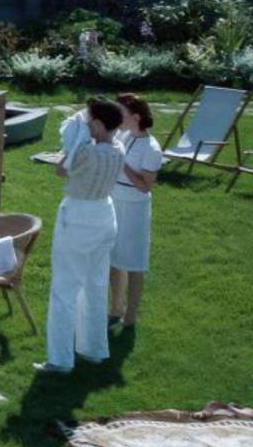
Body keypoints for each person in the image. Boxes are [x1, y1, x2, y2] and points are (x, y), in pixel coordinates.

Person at [36, 98, 125, 374]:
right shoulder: (119, 148)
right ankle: (94, 349)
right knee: (95, 284)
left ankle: (60, 359)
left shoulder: (87, 152)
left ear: (98, 125)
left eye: (89, 121)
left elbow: (61, 168)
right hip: (105, 215)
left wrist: (77, 139)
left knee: (64, 288)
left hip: (78, 218)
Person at [108, 93, 163, 330]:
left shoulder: (152, 148)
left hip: (134, 206)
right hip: (114, 199)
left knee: (134, 261)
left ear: (136, 117)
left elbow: (145, 186)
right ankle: (115, 308)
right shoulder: (123, 134)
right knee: (114, 258)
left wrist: (122, 163)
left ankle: (130, 315)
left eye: (122, 114)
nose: (118, 117)